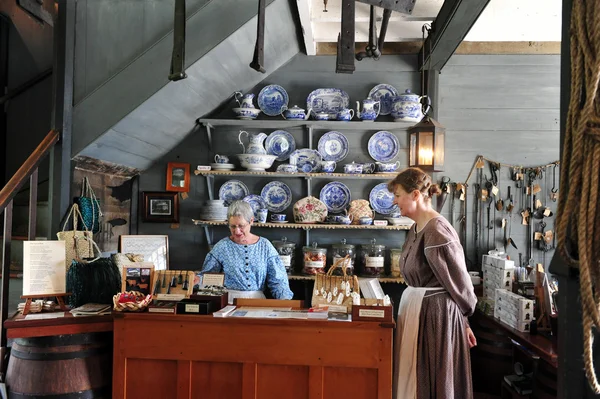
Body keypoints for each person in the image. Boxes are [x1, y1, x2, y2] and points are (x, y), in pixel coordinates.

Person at [389, 167, 477, 399]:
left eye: (398, 195)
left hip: (435, 316)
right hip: (418, 309)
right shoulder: (415, 228)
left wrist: (464, 320)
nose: (394, 201)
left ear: (416, 194)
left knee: (431, 377)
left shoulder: (438, 231)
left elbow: (461, 284)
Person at [200, 200, 293, 303]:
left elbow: (278, 280)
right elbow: (207, 278)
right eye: (233, 226)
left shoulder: (265, 246)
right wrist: (195, 280)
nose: (237, 231)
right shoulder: (222, 247)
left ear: (251, 221)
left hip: (258, 302)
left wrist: (285, 302)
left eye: (241, 226)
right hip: (228, 302)